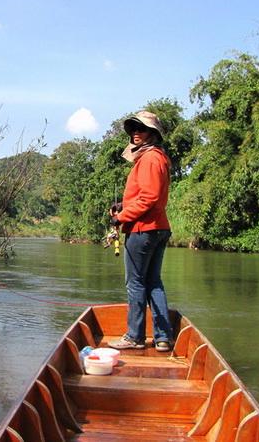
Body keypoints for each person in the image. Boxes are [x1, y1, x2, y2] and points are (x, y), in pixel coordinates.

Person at [108, 110, 174, 352]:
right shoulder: (157, 158)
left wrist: (121, 218)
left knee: (135, 283)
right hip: (157, 227)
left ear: (152, 133)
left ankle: (135, 337)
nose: (136, 133)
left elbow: (149, 198)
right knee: (153, 282)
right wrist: (123, 207)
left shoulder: (149, 159)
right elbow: (148, 198)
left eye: (141, 129)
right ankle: (163, 338)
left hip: (144, 231)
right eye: (133, 129)